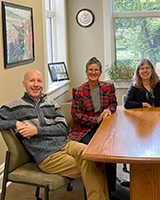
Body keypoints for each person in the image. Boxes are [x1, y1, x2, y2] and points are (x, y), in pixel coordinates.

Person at [0, 69, 109, 200]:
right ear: (24, 84)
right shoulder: (14, 106)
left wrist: (37, 130)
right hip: (47, 155)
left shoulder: (51, 104)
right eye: (32, 80)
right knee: (92, 166)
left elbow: (62, 129)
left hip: (67, 144)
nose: (36, 84)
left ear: (43, 84)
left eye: (39, 81)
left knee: (94, 157)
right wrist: (16, 123)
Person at [68, 57, 117, 196]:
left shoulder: (108, 87)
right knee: (94, 151)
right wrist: (96, 119)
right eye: (90, 70)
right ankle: (92, 191)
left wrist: (109, 110)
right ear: (86, 72)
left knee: (111, 148)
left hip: (103, 126)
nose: (93, 72)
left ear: (100, 72)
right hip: (83, 129)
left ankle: (110, 189)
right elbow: (76, 115)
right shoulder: (78, 91)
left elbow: (113, 104)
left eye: (96, 70)